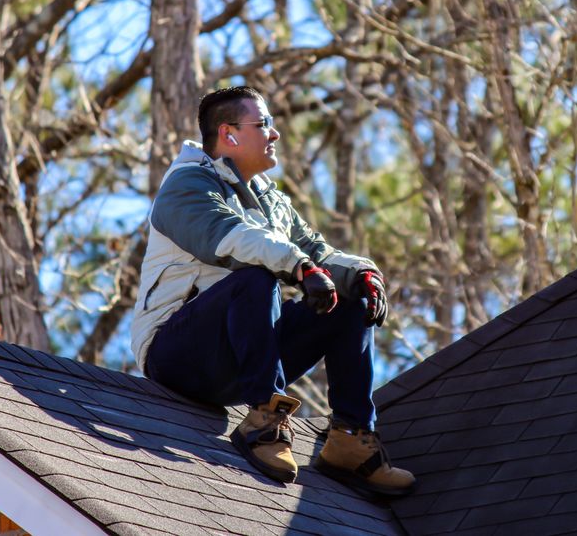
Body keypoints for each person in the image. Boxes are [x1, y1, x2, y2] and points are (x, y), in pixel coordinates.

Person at [131, 86, 414, 496]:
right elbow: (230, 238)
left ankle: (349, 439)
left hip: (239, 360)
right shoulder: (186, 185)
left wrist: (362, 274)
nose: (275, 133)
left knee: (349, 299)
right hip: (176, 357)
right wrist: (300, 268)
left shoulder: (271, 200)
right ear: (229, 134)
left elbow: (320, 251)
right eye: (264, 124)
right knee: (254, 277)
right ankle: (265, 420)